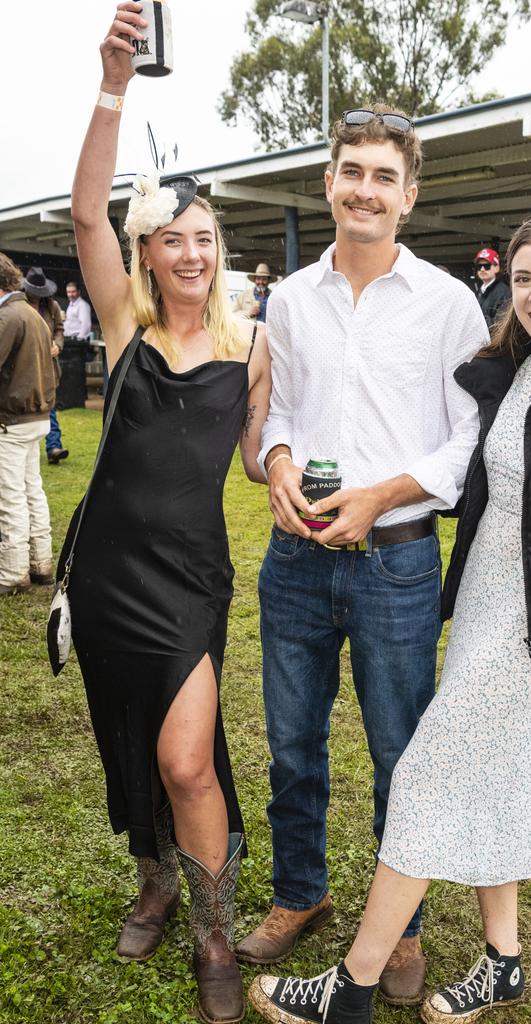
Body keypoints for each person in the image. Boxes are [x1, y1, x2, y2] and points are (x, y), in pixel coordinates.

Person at [247, 211, 531, 1024]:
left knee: (425, 774)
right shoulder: (511, 366)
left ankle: (353, 984)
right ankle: (503, 961)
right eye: (524, 279)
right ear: (507, 289)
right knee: (492, 776)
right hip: (481, 594)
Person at [236, 105, 489, 1005]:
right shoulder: (291, 299)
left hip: (398, 561)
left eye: (385, 176)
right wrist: (275, 462)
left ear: (409, 196)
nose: (365, 190)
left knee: (399, 751)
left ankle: (404, 926)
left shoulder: (450, 305)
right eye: (353, 171)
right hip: (297, 556)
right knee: (293, 743)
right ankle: (300, 893)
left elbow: (470, 441)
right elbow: (280, 413)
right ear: (330, 181)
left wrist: (384, 495)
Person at [59, 5, 271, 1021]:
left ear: (218, 250)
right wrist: (114, 83)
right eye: (173, 240)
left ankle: (211, 929)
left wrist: (295, 480)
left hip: (189, 579)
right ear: (148, 254)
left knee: (187, 755)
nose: (190, 253)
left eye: (204, 239)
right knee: (125, 735)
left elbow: (264, 450)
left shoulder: (251, 347)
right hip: (107, 571)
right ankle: (151, 876)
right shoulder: (121, 329)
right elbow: (85, 211)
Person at [0, 252, 56, 596]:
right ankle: (41, 565)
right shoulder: (33, 315)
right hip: (36, 416)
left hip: (12, 419)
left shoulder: (9, 316)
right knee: (32, 492)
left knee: (10, 498)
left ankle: (11, 573)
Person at [21, 267, 69, 464]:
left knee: (50, 405)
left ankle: (54, 447)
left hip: (48, 366)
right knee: (26, 408)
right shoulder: (19, 306)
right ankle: (26, 448)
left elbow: (59, 329)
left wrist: (57, 344)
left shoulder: (52, 306)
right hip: (26, 366)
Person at [473, 246, 511, 328]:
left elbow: (500, 326)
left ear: (497, 268)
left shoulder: (504, 292)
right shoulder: (480, 291)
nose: (482, 269)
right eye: (479, 266)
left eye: (487, 266)